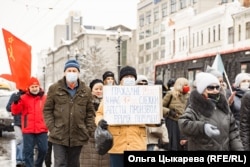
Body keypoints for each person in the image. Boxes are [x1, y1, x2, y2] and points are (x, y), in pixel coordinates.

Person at [43, 59, 96, 167]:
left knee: (74, 164)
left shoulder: (86, 90)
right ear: (64, 72)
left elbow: (90, 112)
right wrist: (52, 128)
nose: (72, 73)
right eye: (69, 70)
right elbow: (47, 110)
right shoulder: (54, 88)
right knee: (60, 163)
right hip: (59, 135)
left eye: (74, 70)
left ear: (78, 73)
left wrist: (88, 129)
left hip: (78, 135)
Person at [95, 66, 146, 167]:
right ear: (120, 80)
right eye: (126, 76)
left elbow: (150, 116)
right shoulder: (111, 95)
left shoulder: (143, 95)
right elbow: (100, 113)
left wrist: (156, 121)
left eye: (132, 77)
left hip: (136, 143)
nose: (129, 79)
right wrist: (100, 122)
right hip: (117, 144)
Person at [178, 72, 243, 151]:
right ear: (202, 90)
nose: (215, 90)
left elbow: (233, 132)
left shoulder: (224, 107)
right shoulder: (195, 107)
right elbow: (183, 123)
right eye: (210, 88)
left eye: (217, 87)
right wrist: (203, 127)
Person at [11, 77, 48, 167]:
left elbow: (49, 111)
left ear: (39, 87)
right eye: (32, 87)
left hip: (42, 128)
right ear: (29, 88)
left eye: (36, 86)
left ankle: (37, 165)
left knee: (44, 150)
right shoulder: (23, 98)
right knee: (28, 152)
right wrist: (15, 102)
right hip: (28, 129)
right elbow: (15, 111)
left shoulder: (45, 98)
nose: (34, 88)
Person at [80, 79, 110, 167]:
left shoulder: (110, 103)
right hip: (89, 141)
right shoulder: (85, 103)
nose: (99, 91)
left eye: (101, 89)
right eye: (96, 89)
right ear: (91, 90)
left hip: (104, 140)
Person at [136, 75, 169, 151]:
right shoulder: (131, 100)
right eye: (140, 84)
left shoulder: (152, 99)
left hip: (151, 138)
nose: (143, 86)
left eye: (145, 84)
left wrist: (164, 137)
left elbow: (159, 117)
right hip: (137, 139)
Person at [162, 77, 190, 151]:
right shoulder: (171, 94)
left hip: (183, 124)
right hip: (172, 123)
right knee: (172, 145)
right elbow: (160, 107)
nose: (187, 87)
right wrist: (169, 112)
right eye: (185, 85)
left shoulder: (189, 96)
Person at [6, 89, 26, 167]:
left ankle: (25, 159)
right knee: (19, 140)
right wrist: (15, 101)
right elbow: (8, 108)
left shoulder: (29, 96)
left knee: (26, 142)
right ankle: (19, 160)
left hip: (27, 123)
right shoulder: (15, 95)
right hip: (18, 123)